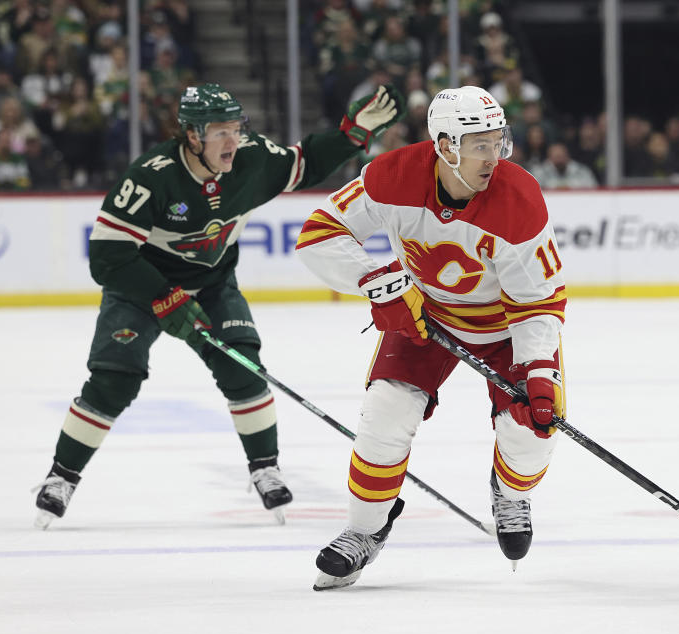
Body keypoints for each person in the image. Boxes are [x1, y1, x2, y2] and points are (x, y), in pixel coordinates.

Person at [32, 81, 405, 529]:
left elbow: (303, 163)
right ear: (192, 135)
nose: (233, 140)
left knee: (243, 367)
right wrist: (163, 297)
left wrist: (351, 134)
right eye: (220, 132)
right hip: (140, 287)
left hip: (212, 283)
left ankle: (264, 467)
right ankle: (61, 477)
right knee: (114, 379)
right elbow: (108, 257)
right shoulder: (150, 177)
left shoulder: (252, 159)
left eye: (236, 128)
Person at [295, 86, 566, 590]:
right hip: (424, 316)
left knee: (531, 429)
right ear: (444, 146)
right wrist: (382, 286)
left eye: (497, 142)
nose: (494, 156)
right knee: (384, 416)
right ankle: (364, 531)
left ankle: (510, 491)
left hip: (506, 327)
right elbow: (318, 234)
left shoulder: (520, 198)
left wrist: (540, 375)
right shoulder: (390, 175)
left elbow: (538, 302)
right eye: (479, 145)